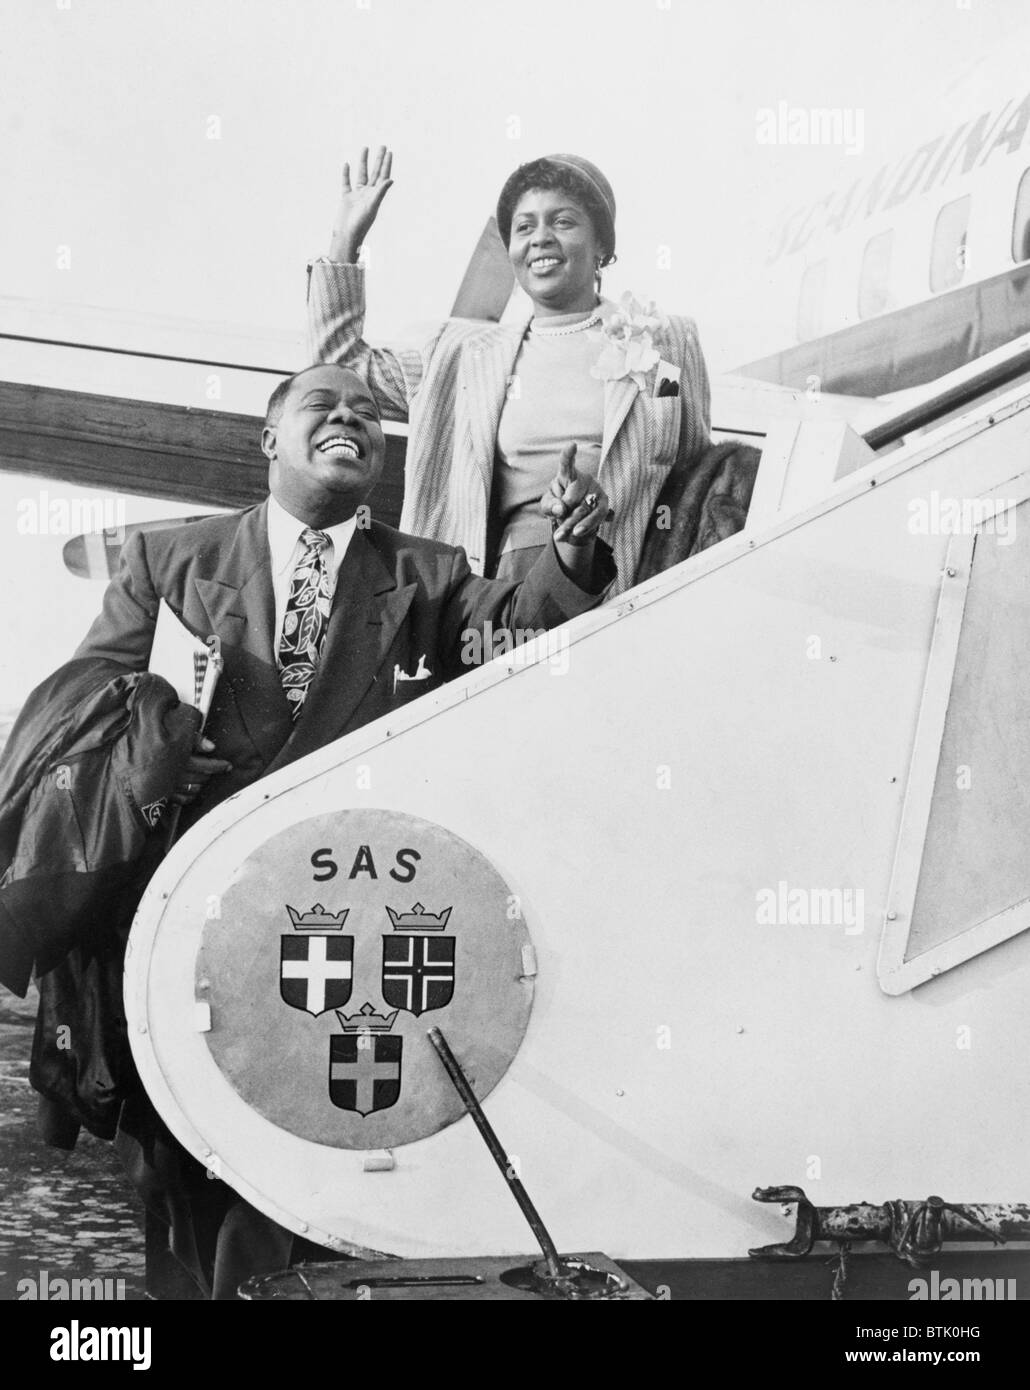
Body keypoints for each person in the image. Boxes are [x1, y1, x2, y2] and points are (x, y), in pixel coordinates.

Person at [0, 361, 614, 1299]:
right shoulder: (168, 561)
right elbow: (82, 702)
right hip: (179, 929)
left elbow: (522, 634)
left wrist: (568, 558)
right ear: (269, 441)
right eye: (324, 405)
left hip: (335, 936)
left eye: (367, 411)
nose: (350, 417)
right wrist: (153, 742)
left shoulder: (429, 576)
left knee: (307, 1177)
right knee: (179, 1171)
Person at [307, 147, 716, 596]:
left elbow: (694, 480)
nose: (540, 238)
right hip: (495, 594)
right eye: (524, 227)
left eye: (562, 221)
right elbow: (339, 367)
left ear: (602, 245)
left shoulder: (664, 346)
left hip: (624, 589)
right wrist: (344, 242)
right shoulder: (457, 353)